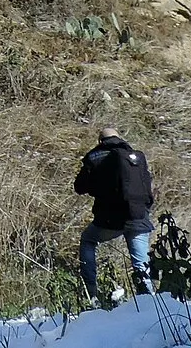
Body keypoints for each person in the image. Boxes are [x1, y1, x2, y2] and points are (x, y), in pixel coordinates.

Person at [72, 127, 154, 300]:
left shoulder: (95, 156)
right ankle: (149, 302)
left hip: (110, 220)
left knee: (88, 240)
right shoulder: (134, 156)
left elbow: (79, 187)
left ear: (100, 141)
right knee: (141, 264)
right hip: (139, 217)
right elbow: (147, 185)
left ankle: (90, 293)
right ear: (119, 137)